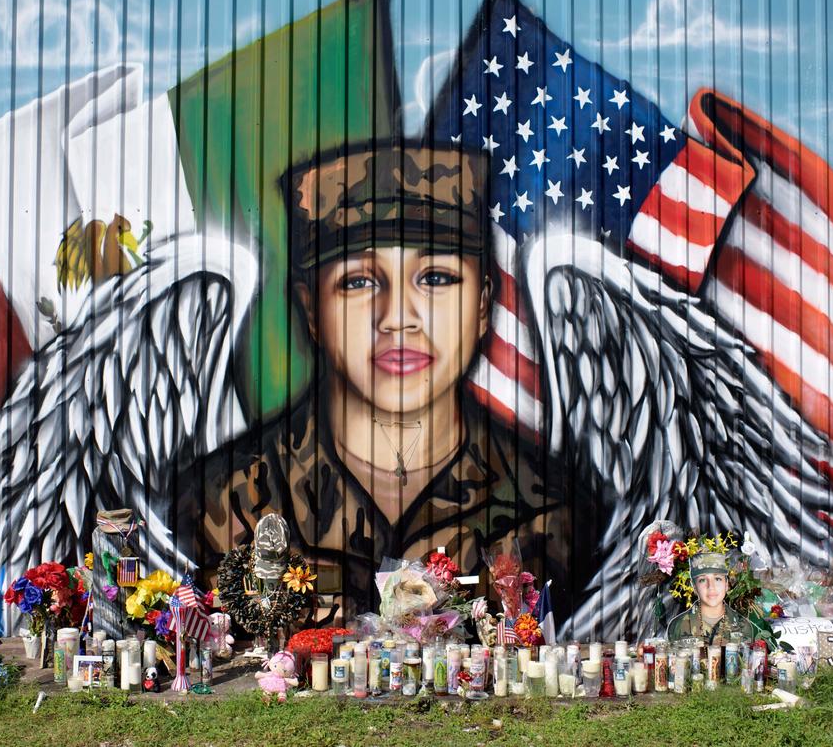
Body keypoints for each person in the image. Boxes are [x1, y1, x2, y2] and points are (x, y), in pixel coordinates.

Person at [178, 142, 577, 621]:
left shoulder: (545, 509)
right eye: (358, 281)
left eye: (436, 277)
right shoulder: (230, 504)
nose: (398, 318)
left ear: (482, 305)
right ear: (311, 310)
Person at [667, 553, 753, 645]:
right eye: (702, 580)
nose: (711, 587)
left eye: (717, 579)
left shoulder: (742, 626)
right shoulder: (678, 626)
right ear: (695, 587)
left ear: (726, 584)